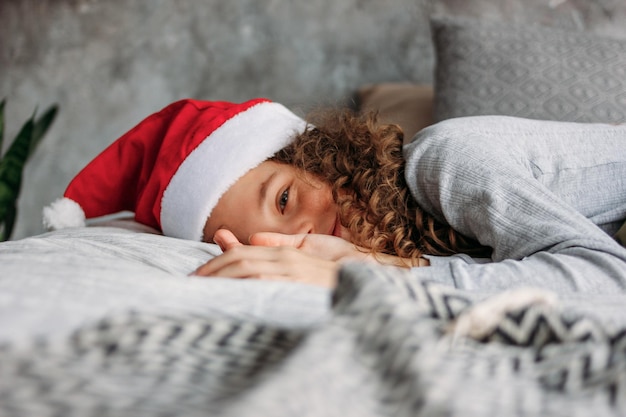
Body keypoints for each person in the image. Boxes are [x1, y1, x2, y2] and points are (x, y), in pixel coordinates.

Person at [43, 98, 626, 292]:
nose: (303, 244)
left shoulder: (448, 161)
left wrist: (374, 272)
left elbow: (606, 280)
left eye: (284, 201)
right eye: (271, 240)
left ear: (320, 160)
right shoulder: (412, 235)